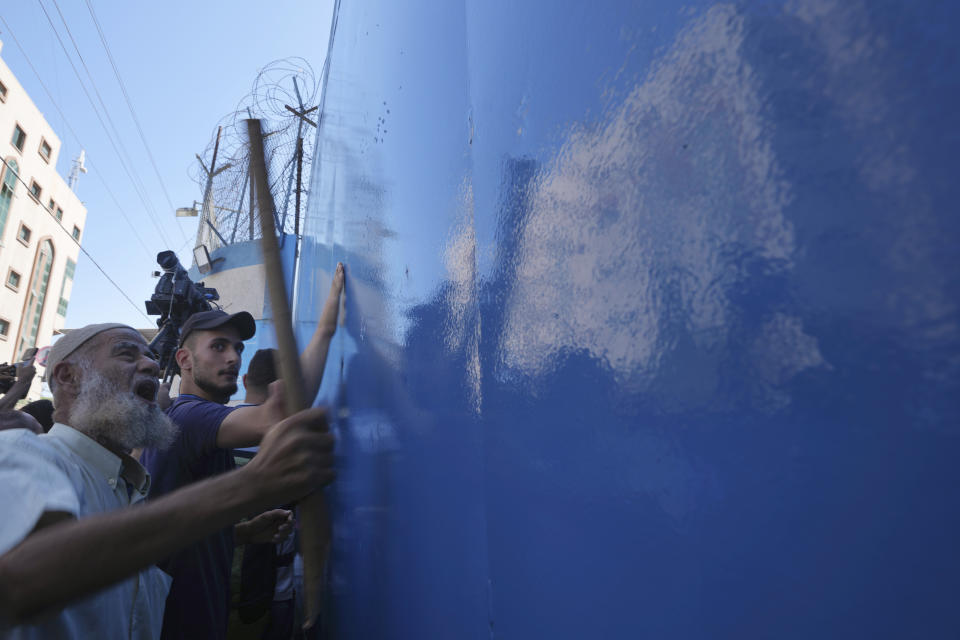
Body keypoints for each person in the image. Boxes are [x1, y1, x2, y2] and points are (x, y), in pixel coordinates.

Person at [0, 323, 335, 638]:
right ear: (69, 376)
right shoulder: (23, 451)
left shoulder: (127, 489)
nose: (149, 365)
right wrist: (250, 486)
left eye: (150, 357)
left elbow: (120, 550)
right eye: (127, 354)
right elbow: (19, 579)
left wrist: (238, 533)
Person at [141, 263, 344, 640]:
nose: (233, 357)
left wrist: (242, 534)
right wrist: (327, 328)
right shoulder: (190, 418)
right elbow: (284, 411)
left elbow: (181, 530)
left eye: (237, 347)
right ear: (184, 361)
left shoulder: (205, 425)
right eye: (218, 347)